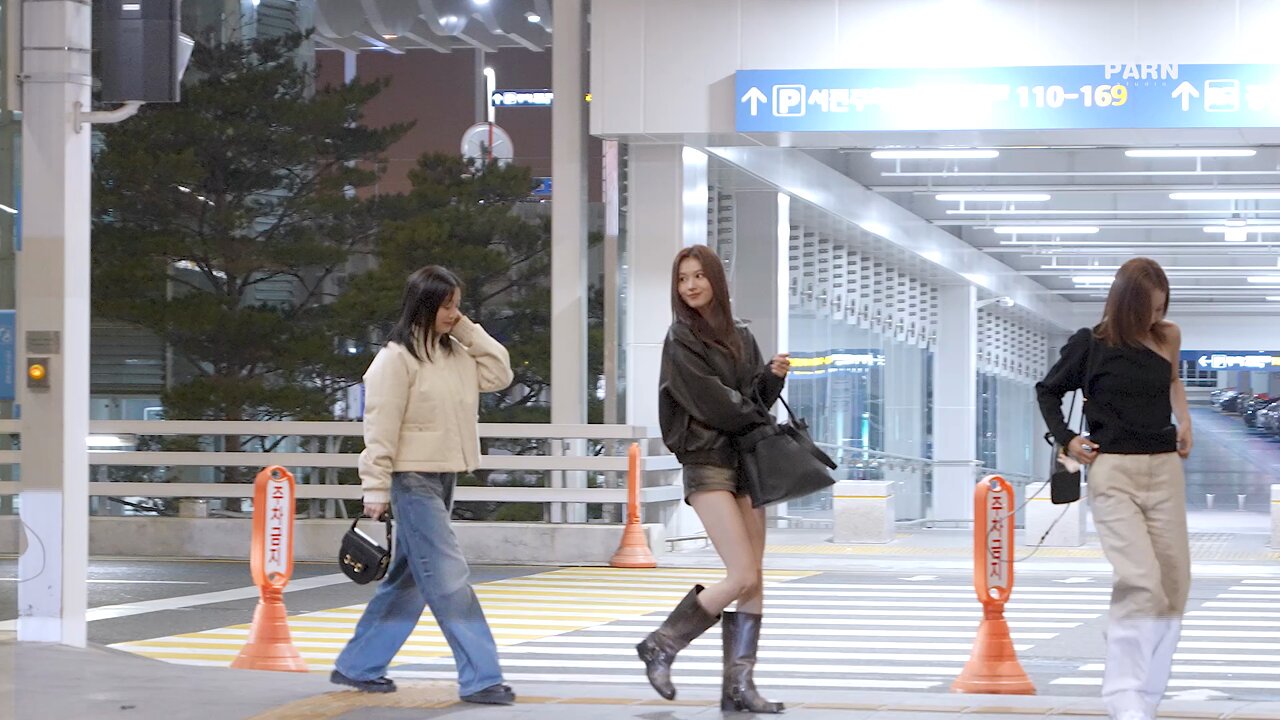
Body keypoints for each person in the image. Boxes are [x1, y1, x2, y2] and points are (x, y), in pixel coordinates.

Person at [331, 265, 517, 706]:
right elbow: (379, 429)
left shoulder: (456, 353)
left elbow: (500, 373)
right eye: (447, 306)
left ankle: (359, 664)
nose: (454, 314)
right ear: (424, 305)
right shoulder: (395, 359)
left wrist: (466, 329)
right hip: (411, 479)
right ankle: (481, 676)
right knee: (449, 577)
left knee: (410, 578)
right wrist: (375, 488)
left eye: (458, 305)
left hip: (444, 474)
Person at [1035, 257, 1193, 720]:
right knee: (1140, 581)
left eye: (1162, 308)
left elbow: (1173, 380)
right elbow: (1047, 390)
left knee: (1174, 586)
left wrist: (1185, 420)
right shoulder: (1091, 344)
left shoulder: (1168, 336)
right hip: (1114, 472)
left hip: (1165, 470)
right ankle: (1124, 692)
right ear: (1126, 304)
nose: (1156, 317)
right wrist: (1068, 438)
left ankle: (1145, 679)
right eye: (1148, 309)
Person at [636, 244, 791, 714]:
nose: (690, 285)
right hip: (707, 461)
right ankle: (663, 642)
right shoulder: (680, 338)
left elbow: (751, 399)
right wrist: (752, 407)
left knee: (754, 579)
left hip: (746, 461)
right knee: (741, 574)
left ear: (715, 280)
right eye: (682, 278)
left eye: (698, 276)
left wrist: (771, 380)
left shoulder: (741, 334)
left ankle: (738, 687)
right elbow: (713, 402)